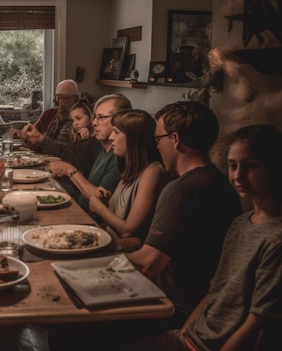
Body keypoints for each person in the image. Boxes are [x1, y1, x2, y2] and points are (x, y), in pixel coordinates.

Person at [123, 124, 282, 351]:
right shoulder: (241, 223)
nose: (238, 175)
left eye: (251, 166)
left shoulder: (276, 239)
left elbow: (258, 321)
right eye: (232, 165)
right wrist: (186, 331)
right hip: (194, 335)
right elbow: (216, 287)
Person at [125, 101, 242, 328]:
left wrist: (95, 257)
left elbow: (148, 265)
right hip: (207, 304)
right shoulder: (220, 182)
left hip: (174, 309)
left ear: (175, 140)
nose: (157, 146)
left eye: (158, 139)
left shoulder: (181, 189)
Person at [33, 94, 131, 223]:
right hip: (77, 209)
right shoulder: (98, 145)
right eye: (95, 117)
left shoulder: (119, 156)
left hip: (91, 221)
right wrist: (40, 139)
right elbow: (67, 150)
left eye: (101, 118)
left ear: (120, 120)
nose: (94, 122)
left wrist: (68, 169)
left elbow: (99, 201)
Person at [88, 109, 168, 249]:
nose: (111, 137)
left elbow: (128, 230)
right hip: (110, 240)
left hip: (124, 250)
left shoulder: (152, 172)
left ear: (133, 138)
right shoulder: (128, 167)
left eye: (116, 132)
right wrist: (107, 202)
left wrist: (99, 207)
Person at [11, 79, 79, 141]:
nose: (61, 104)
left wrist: (41, 140)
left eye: (66, 99)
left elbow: (66, 149)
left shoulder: (79, 121)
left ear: (76, 100)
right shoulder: (48, 114)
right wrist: (20, 133)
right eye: (59, 98)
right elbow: (31, 134)